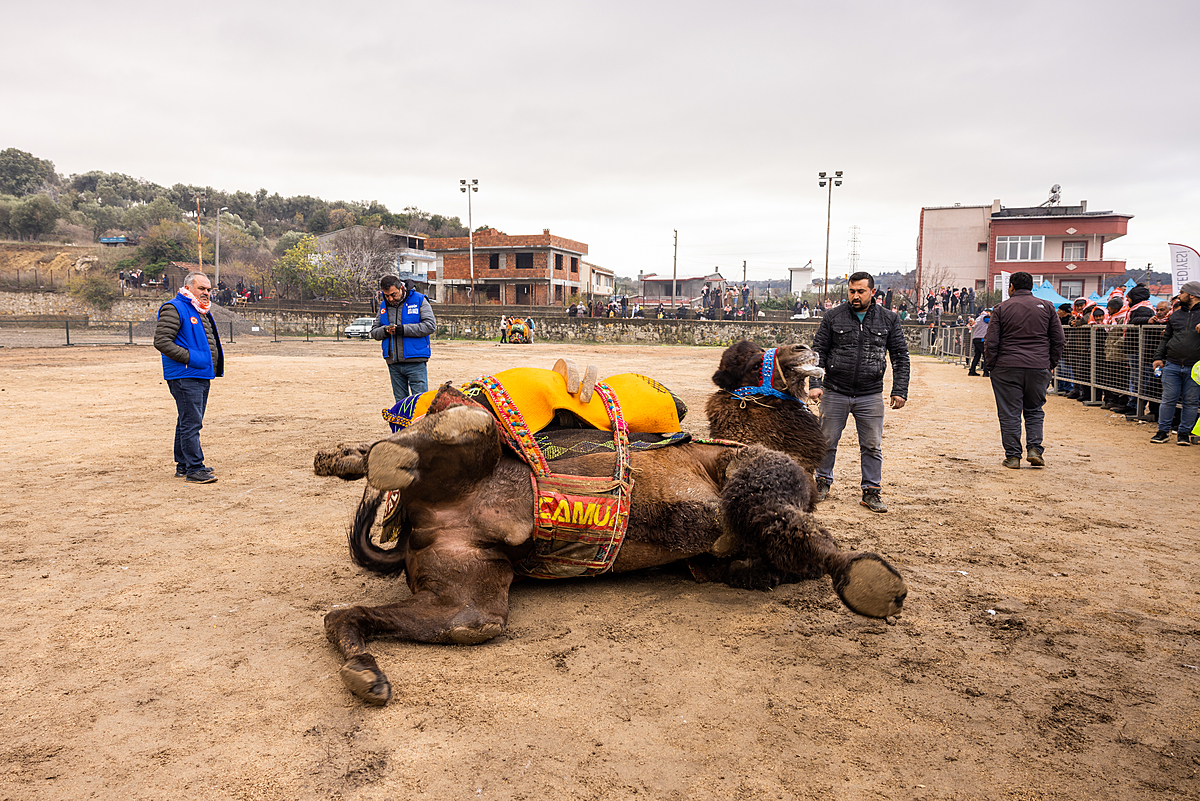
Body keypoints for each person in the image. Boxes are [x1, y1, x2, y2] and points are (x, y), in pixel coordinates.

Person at [808, 271, 910, 513]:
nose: (855, 296)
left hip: (870, 393)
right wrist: (815, 384)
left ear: (872, 292)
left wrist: (900, 390)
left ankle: (871, 492)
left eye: (860, 291)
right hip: (835, 391)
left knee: (872, 445)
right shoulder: (833, 316)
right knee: (827, 441)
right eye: (851, 291)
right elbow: (818, 351)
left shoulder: (889, 319)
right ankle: (821, 483)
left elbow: (900, 357)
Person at [983, 271, 1065, 469]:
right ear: (1032, 287)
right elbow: (1059, 339)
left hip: (1006, 366)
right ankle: (1035, 449)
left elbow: (991, 341)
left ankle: (1012, 457)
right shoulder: (1047, 307)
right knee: (1035, 409)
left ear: (1011, 286)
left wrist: (991, 365)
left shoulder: (1001, 308)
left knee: (1009, 412)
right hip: (1039, 366)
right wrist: (1050, 363)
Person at [154, 272, 224, 484]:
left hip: (200, 373)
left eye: (209, 289)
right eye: (201, 288)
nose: (206, 293)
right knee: (191, 423)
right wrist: (191, 358)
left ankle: (183, 464)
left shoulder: (199, 310)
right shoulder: (175, 307)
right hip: (186, 374)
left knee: (187, 421)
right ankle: (195, 468)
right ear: (188, 287)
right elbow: (162, 341)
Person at [1150, 280, 1200, 445]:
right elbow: (1166, 338)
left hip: (1195, 366)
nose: (1179, 295)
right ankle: (1162, 431)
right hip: (1172, 363)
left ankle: (1184, 433)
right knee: (1168, 399)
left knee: (1191, 401)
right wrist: (1158, 357)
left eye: (1182, 292)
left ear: (1192, 295)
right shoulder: (1176, 314)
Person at [372, 275, 436, 403]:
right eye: (387, 295)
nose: (390, 298)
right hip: (394, 362)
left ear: (401, 288)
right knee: (401, 404)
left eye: (393, 294)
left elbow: (430, 326)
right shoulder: (384, 305)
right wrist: (385, 330)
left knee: (421, 402)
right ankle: (404, 424)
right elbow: (374, 332)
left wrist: (403, 330)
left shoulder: (419, 300)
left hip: (416, 361)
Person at [968, 308, 991, 376]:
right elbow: (991, 321)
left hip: (976, 338)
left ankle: (972, 370)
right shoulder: (985, 317)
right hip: (982, 338)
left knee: (977, 355)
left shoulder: (978, 318)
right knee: (985, 355)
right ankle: (985, 372)